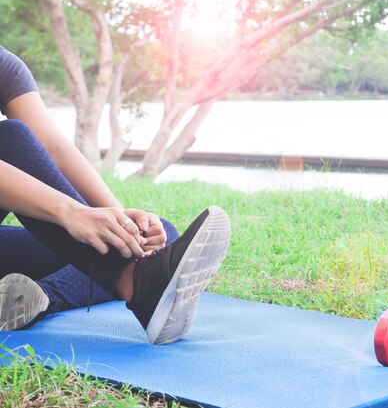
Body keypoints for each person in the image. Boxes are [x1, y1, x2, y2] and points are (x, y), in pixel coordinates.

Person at [0, 45, 230, 344]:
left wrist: (124, 226)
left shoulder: (5, 66)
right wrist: (71, 213)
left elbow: (54, 148)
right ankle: (134, 283)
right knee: (9, 138)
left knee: (155, 238)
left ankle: (43, 297)